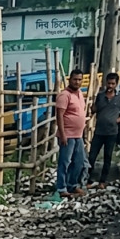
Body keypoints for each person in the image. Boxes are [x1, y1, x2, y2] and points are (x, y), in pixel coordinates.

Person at [89, 73, 120, 188]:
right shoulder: (100, 96)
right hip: (99, 132)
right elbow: (94, 110)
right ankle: (88, 180)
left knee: (107, 157)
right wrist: (92, 107)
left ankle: (103, 181)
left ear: (116, 84)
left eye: (113, 83)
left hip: (111, 132)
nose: (110, 85)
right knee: (92, 156)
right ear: (105, 83)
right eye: (109, 83)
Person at [55, 69, 87, 198]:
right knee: (65, 162)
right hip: (67, 134)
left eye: (79, 80)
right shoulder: (64, 95)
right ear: (70, 80)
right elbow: (59, 116)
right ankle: (62, 187)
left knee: (79, 162)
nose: (77, 82)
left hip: (78, 135)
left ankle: (72, 185)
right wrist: (62, 134)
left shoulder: (79, 93)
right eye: (75, 79)